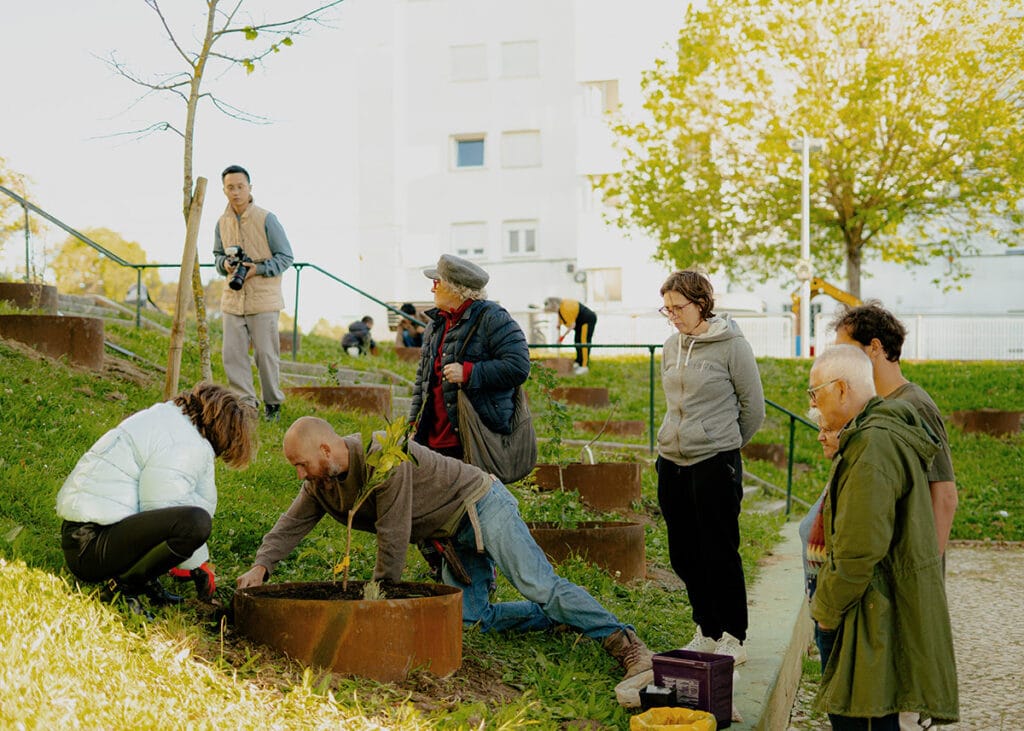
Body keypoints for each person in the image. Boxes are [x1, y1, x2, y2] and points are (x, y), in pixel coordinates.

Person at [235, 416, 654, 685]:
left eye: (301, 463)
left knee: (536, 583)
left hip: (481, 504)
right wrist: (261, 567)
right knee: (469, 621)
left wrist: (379, 595)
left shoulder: (385, 456)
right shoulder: (319, 482)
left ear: (325, 449)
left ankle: (624, 641)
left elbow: (393, 530)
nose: (298, 474)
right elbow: (291, 523)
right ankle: (559, 619)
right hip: (453, 535)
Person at [808, 345, 958, 729]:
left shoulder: (873, 446)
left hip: (867, 611)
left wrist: (825, 611)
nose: (812, 404)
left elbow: (860, 549)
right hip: (877, 606)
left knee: (863, 719)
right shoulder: (879, 433)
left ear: (842, 389)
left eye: (815, 392)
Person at [56, 383, 257, 615]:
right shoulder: (184, 444)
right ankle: (122, 589)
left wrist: (197, 563)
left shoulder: (169, 422)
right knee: (195, 522)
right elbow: (162, 507)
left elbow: (172, 503)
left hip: (85, 537)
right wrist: (194, 562)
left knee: (190, 519)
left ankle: (145, 582)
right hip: (90, 546)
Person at [655, 270, 765, 665]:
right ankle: (706, 629)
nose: (672, 315)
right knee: (683, 553)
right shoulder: (671, 346)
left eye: (678, 307)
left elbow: (753, 408)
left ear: (701, 303)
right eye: (666, 309)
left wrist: (724, 443)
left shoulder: (732, 346)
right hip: (672, 460)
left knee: (719, 550)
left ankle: (734, 636)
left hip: (714, 461)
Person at [830, 302, 958, 556]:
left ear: (875, 348)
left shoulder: (915, 406)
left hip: (909, 567)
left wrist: (926, 569)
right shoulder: (872, 406)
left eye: (846, 351)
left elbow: (944, 496)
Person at [408, 254, 531, 461]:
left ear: (455, 288)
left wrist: (468, 372)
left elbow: (518, 367)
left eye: (436, 283)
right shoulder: (436, 323)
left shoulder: (494, 318)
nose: (432, 289)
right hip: (432, 438)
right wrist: (413, 423)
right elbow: (423, 378)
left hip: (473, 436)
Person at [213, 164, 294, 422]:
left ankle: (273, 404)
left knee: (265, 355)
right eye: (230, 188)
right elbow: (216, 255)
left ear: (249, 188)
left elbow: (286, 257)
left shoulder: (267, 218)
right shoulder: (221, 222)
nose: (235, 192)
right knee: (233, 355)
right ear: (224, 190)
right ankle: (245, 405)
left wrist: (257, 269)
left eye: (240, 186)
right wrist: (223, 265)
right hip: (232, 300)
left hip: (264, 300)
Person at [543, 296, 598, 375]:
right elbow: (560, 316)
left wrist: (562, 337)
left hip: (587, 320)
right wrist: (559, 324)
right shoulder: (561, 307)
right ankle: (579, 361)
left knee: (584, 342)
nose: (551, 311)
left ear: (554, 306)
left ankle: (584, 366)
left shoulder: (565, 309)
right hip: (579, 323)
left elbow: (572, 326)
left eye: (551, 310)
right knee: (577, 341)